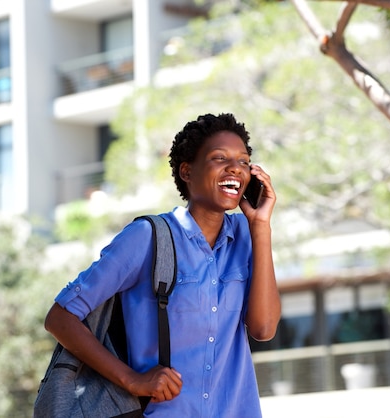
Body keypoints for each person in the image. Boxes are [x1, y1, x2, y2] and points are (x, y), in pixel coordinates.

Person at [44, 112, 281, 417]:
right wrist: (132, 380)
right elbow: (60, 317)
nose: (235, 167)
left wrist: (261, 226)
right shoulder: (146, 238)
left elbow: (263, 329)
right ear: (187, 171)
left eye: (244, 161)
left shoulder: (247, 238)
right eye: (219, 158)